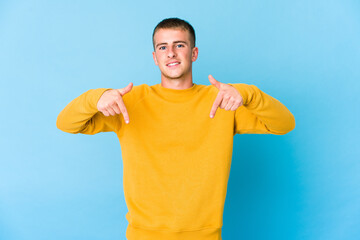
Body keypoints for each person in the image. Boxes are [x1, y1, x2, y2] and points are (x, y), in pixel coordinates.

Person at [56, 17, 295, 240]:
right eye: (162, 47)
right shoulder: (130, 101)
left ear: (194, 53)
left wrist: (247, 94)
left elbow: (285, 124)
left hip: (205, 235)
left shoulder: (222, 100)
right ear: (154, 57)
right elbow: (66, 123)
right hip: (143, 234)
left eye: (179, 45)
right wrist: (96, 97)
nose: (170, 52)